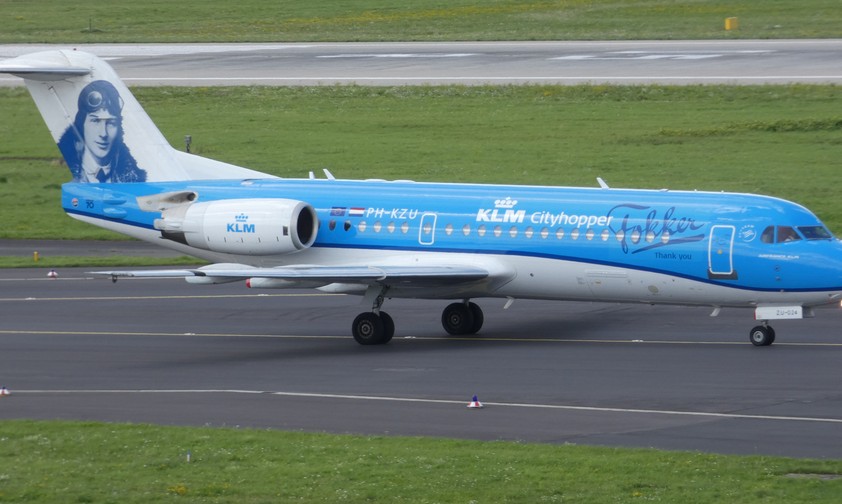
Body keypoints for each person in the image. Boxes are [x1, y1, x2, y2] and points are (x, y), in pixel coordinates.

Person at [57, 80, 147, 183]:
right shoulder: (74, 175)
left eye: (111, 123)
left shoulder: (133, 178)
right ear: (82, 124)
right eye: (95, 121)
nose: (103, 134)